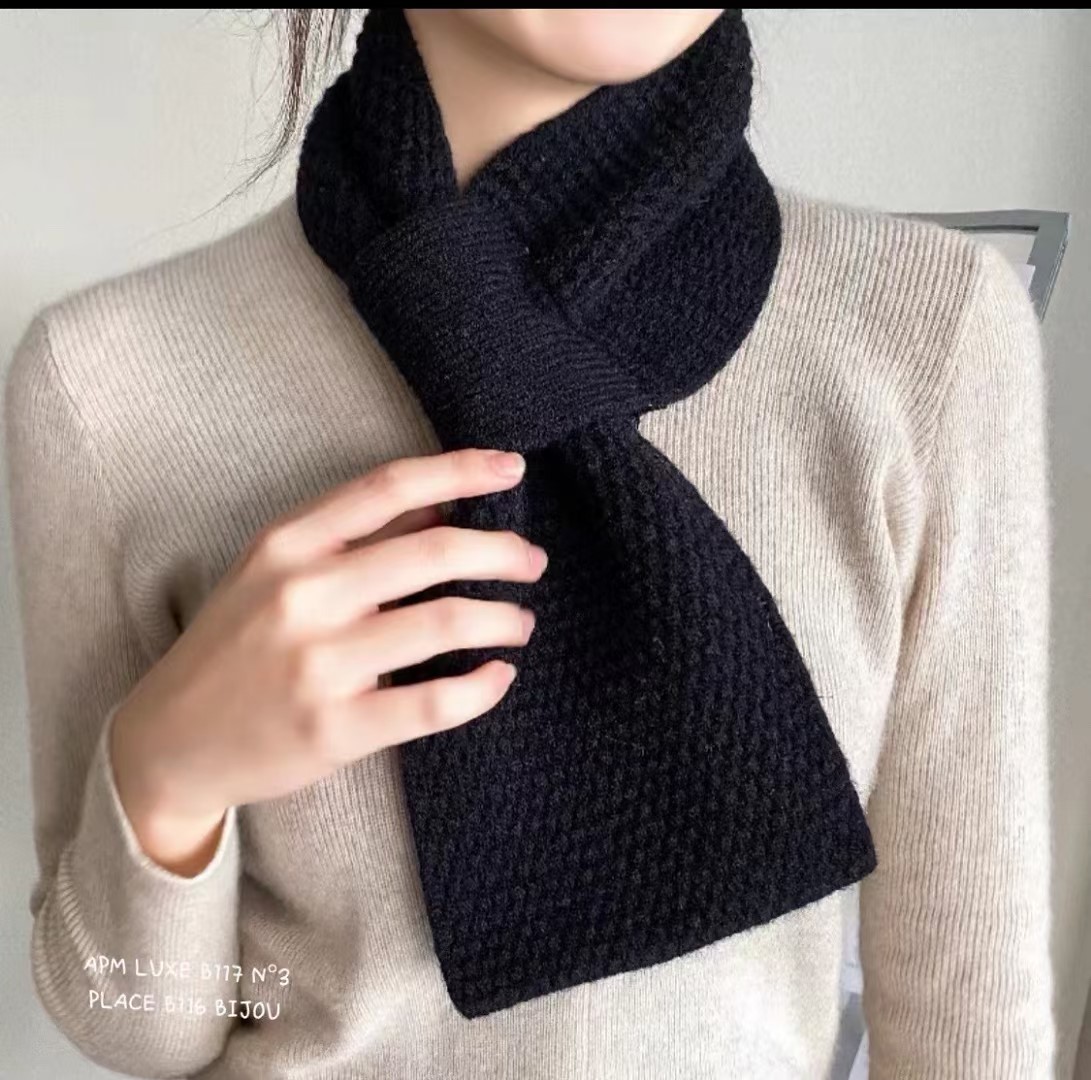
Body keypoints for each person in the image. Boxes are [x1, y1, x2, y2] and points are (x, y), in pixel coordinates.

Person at [2, 8, 1054, 1079]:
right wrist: (168, 773)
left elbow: (970, 1030)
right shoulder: (102, 382)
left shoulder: (928, 337)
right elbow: (140, 1024)